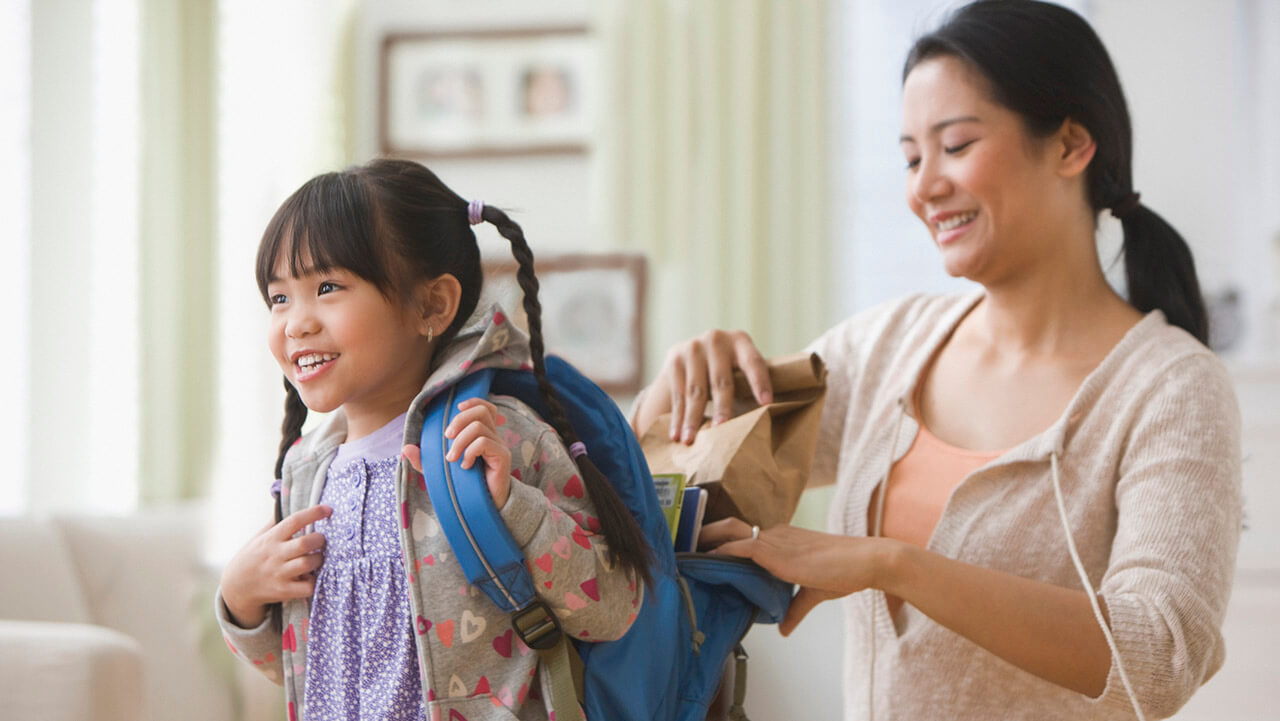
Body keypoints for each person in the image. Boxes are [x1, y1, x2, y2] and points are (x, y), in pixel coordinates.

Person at [631, 2, 1242, 719]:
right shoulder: (888, 347)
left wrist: (892, 561)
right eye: (911, 158)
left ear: (1073, 144)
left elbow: (1162, 656)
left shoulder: (1170, 388)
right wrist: (678, 388)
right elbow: (680, 478)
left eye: (954, 146)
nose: (922, 187)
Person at [214, 158, 648, 721]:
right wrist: (240, 600)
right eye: (279, 298)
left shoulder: (494, 436)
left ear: (431, 306)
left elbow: (611, 609)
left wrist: (514, 507)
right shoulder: (306, 470)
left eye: (326, 287)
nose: (296, 322)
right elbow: (308, 668)